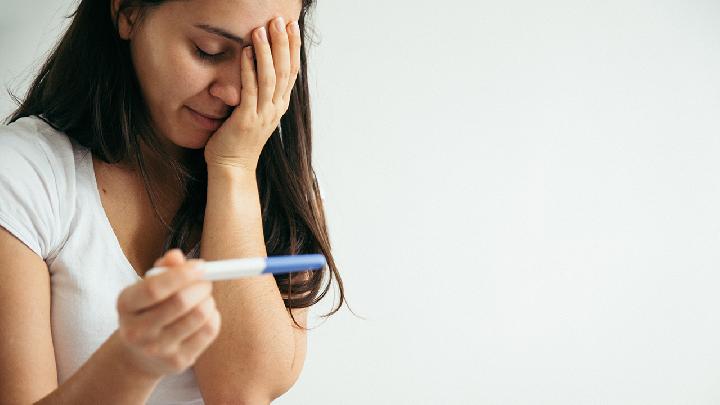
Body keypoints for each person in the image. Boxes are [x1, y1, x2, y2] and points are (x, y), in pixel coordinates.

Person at [0, 0, 345, 403]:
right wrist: (133, 360)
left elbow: (241, 392)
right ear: (127, 11)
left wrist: (233, 167)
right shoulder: (24, 173)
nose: (233, 90)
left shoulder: (279, 195)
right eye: (209, 51)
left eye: (264, 59)